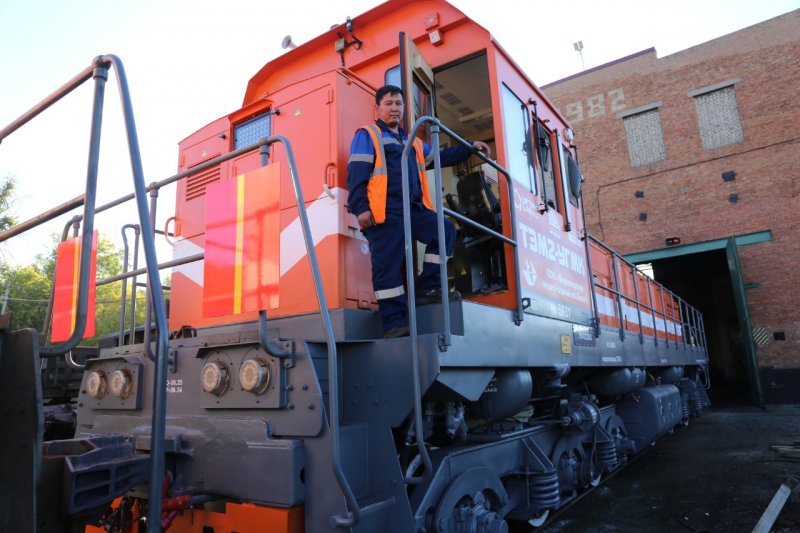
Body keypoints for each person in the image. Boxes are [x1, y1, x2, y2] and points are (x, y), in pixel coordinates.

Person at [346, 85, 491, 338]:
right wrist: (361, 209)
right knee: (387, 267)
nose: (394, 108)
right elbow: (356, 173)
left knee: (443, 229)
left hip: (413, 209)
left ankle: (427, 288)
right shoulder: (368, 135)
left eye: (399, 104)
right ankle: (393, 325)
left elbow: (440, 156)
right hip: (384, 213)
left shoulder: (411, 141)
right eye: (389, 103)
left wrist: (469, 147)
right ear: (377, 108)